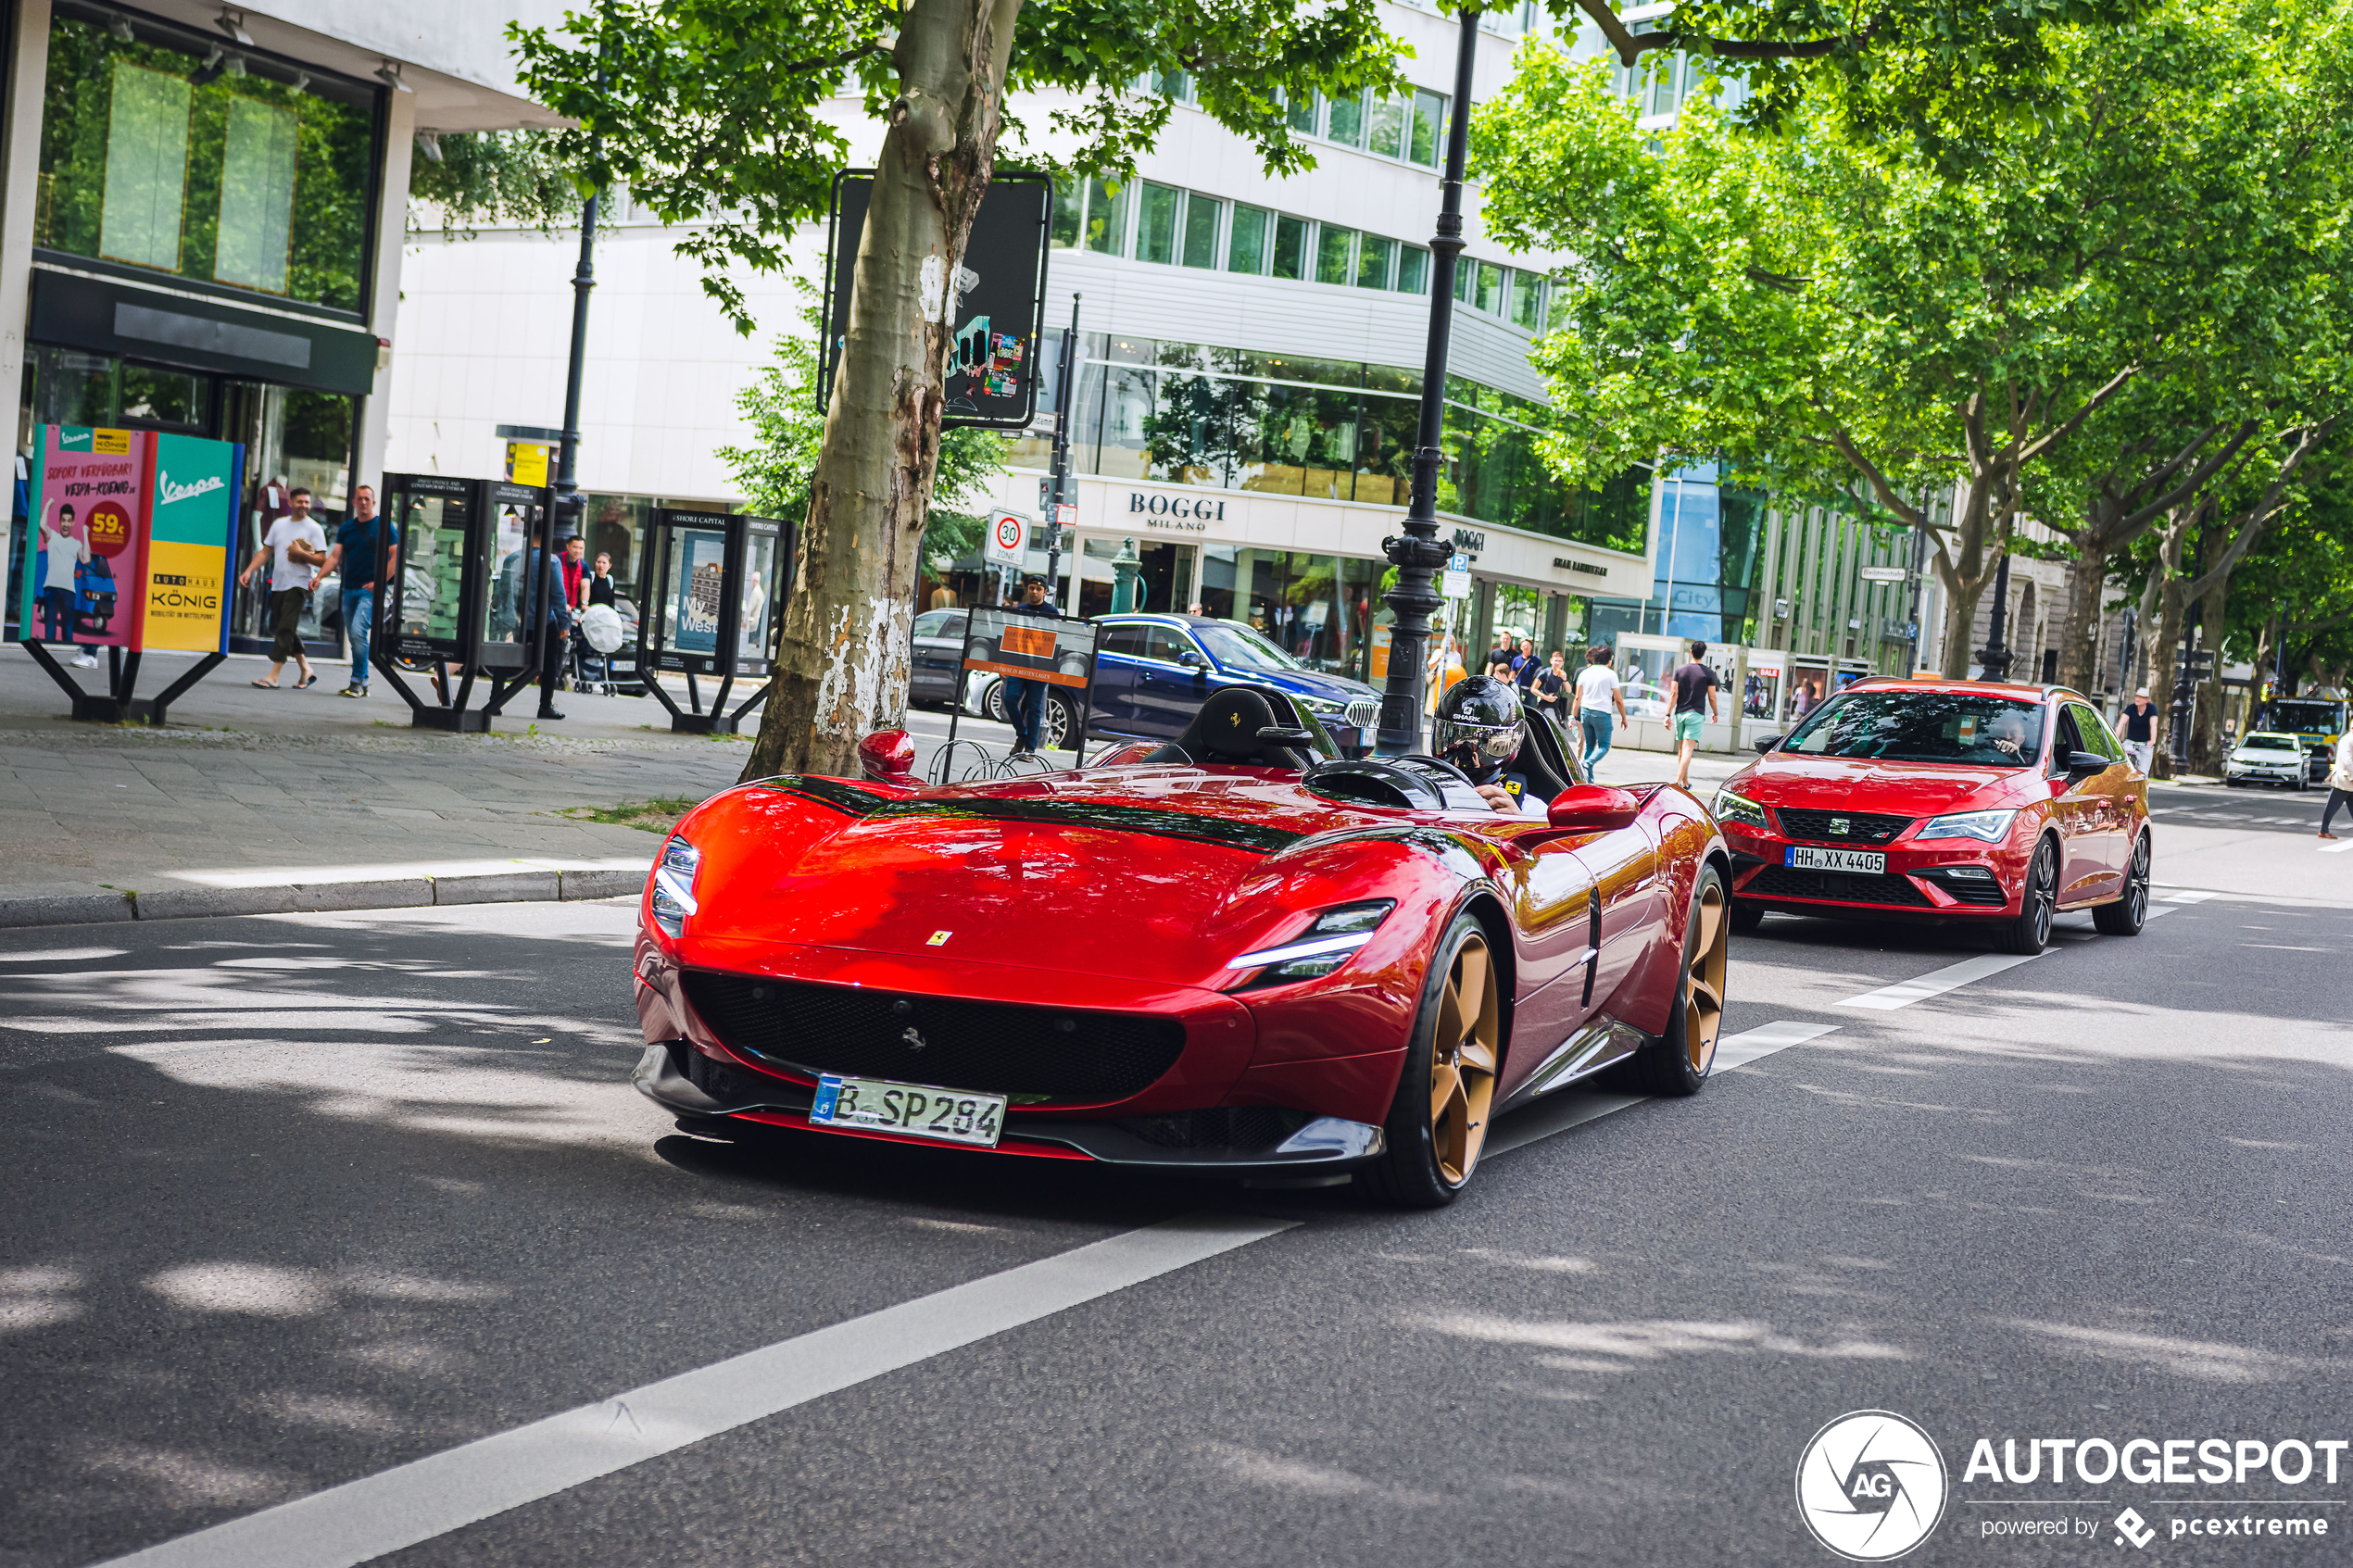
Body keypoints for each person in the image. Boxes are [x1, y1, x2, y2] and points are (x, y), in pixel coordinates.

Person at [238, 486, 328, 688]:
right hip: (279, 584)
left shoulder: (314, 528)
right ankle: (306, 669)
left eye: (307, 502)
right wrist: (248, 571)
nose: (304, 506)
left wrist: (302, 555)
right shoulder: (279, 525)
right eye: (300, 502)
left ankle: (273, 676)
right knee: (284, 627)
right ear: (290, 503)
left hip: (300, 584)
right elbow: (265, 552)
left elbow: (323, 560)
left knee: (285, 628)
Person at [314, 484, 396, 698]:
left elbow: (396, 557)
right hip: (348, 589)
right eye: (359, 499)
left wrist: (379, 583)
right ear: (353, 503)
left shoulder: (385, 527)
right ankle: (363, 682)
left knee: (358, 632)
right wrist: (318, 577)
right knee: (354, 636)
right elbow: (334, 557)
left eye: (367, 499)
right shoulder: (346, 528)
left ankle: (357, 683)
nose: (363, 503)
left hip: (369, 591)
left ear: (374, 502)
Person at [1434, 675, 1549, 817]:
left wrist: (1518, 825)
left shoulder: (1532, 811)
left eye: (1479, 743)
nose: (1465, 753)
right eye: (1454, 740)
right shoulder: (1422, 795)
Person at [1002, 575, 1060, 754]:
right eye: (1031, 588)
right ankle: (1022, 734)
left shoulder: (1052, 612)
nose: (1034, 592)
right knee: (1010, 698)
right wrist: (1003, 665)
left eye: (1038, 589)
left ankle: (1029, 749)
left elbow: (1058, 640)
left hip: (1039, 667)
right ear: (1028, 590)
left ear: (1044, 592)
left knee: (1034, 708)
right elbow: (1010, 638)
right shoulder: (1020, 609)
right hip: (1019, 664)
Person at [36, 502, 96, 669]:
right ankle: (47, 660)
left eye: (69, 521)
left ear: (73, 523)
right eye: (63, 520)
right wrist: (48, 505)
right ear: (59, 521)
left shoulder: (76, 543)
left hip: (69, 590)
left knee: (68, 630)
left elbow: (85, 559)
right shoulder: (52, 536)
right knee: (50, 627)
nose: (66, 524)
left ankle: (65, 657)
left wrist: (85, 534)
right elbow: (41, 525)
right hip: (50, 588)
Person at [1669, 639, 1720, 790]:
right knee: (1688, 750)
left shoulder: (1680, 670)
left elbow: (1673, 693)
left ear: (1691, 652)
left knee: (1681, 750)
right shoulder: (1708, 673)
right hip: (1696, 714)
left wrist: (1667, 714)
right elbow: (1712, 696)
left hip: (1680, 714)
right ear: (1703, 654)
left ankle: (1685, 782)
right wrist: (1715, 713)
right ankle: (1677, 782)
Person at [1575, 644, 1628, 777]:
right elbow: (1619, 699)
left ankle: (1588, 779)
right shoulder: (1610, 675)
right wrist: (1624, 718)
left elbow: (1577, 697)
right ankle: (1587, 764)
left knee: (1589, 746)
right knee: (1604, 745)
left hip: (1585, 711)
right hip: (1602, 713)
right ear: (1609, 660)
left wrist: (1573, 715)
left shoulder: (1585, 672)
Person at [2320, 727, 2353, 840]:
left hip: (2349, 782)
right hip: (2344, 780)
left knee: (2333, 806)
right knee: (2332, 807)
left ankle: (2324, 830)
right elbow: (2347, 761)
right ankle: (2324, 830)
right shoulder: (2347, 740)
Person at [2120, 686, 2157, 773]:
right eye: (2136, 696)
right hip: (2130, 742)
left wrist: (2152, 740)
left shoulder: (2152, 709)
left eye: (2140, 697)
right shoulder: (2130, 708)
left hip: (2145, 743)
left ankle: (2144, 782)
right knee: (2126, 765)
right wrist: (2115, 738)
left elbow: (2154, 725)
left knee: (2144, 771)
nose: (2137, 699)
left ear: (2146, 700)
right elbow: (2122, 723)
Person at [1533, 650, 1569, 725]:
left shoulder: (1561, 674)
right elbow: (1533, 689)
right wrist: (1546, 697)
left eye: (1560, 661)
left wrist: (1565, 679)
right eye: (1556, 660)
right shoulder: (1544, 673)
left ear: (1563, 663)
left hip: (1555, 705)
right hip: (1543, 704)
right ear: (1551, 661)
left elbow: (1569, 691)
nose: (1557, 663)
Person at [560, 533, 588, 611]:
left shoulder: (584, 565)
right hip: (556, 606)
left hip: (572, 608)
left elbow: (585, 587)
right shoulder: (558, 560)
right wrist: (562, 603)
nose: (578, 551)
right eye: (575, 547)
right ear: (568, 546)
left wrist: (584, 604)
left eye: (581, 548)